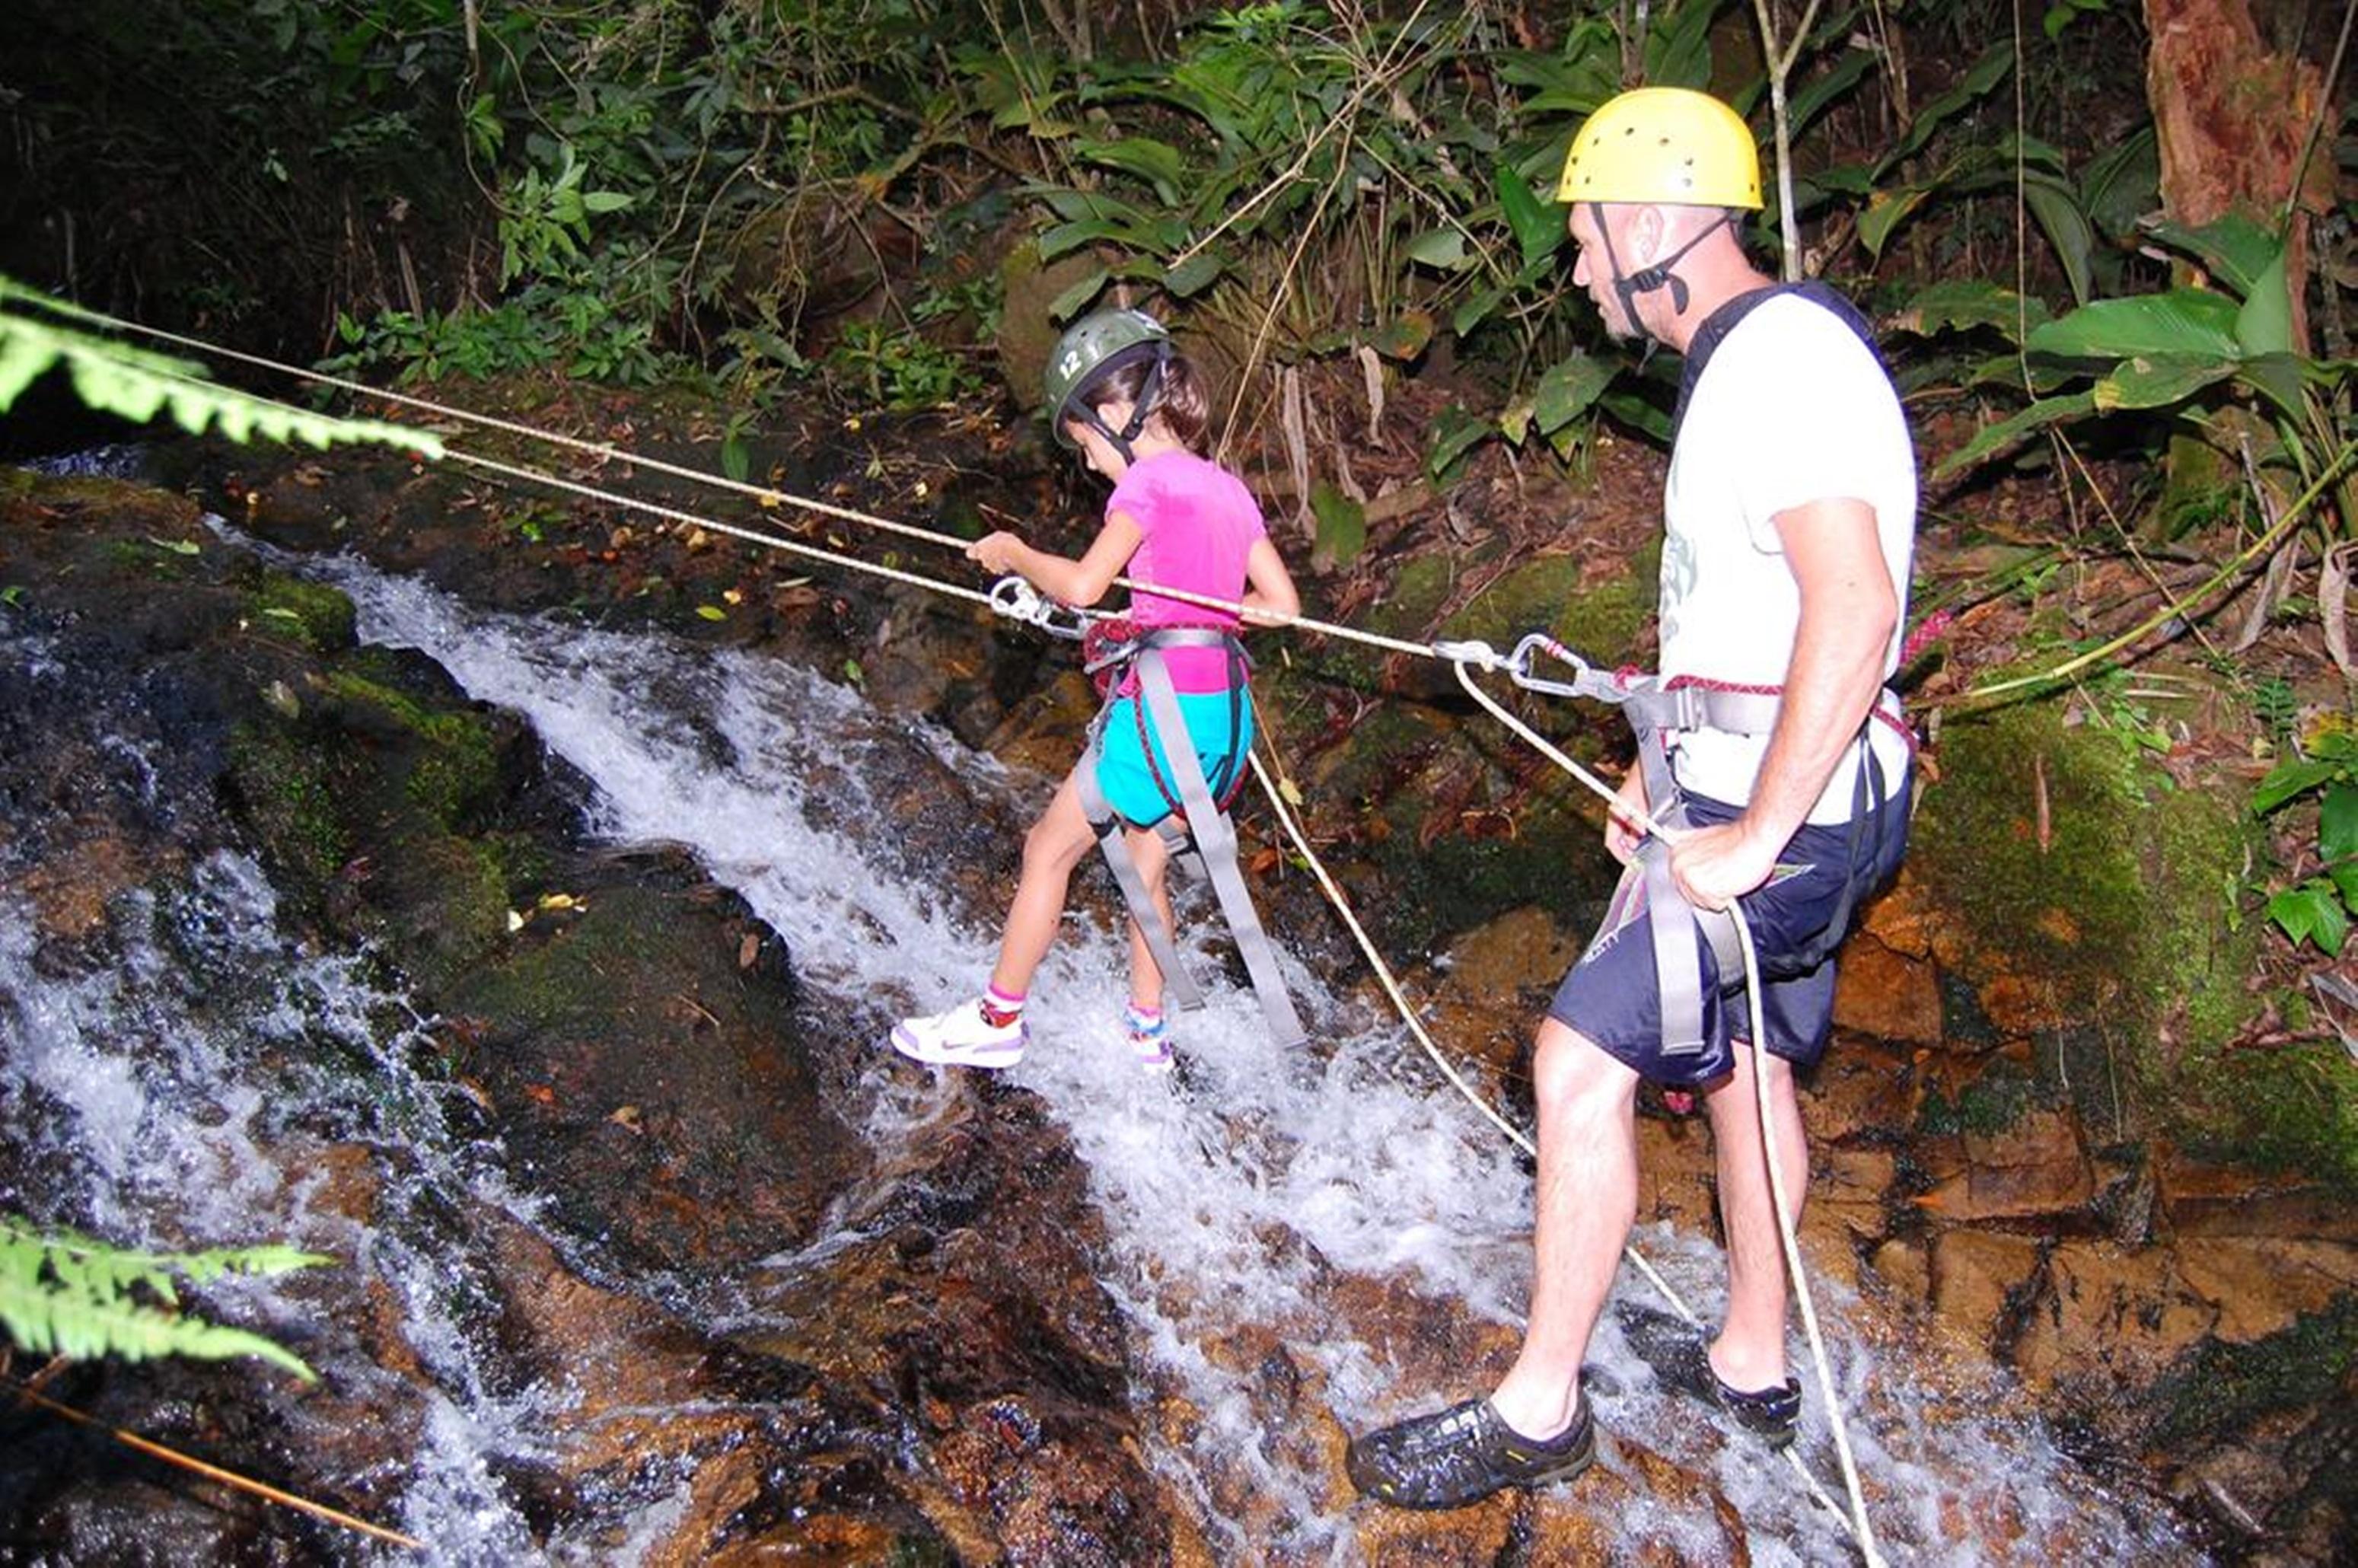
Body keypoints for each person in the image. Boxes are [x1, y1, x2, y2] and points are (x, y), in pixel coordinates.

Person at [1346, 85, 1917, 1509]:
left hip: (1792, 810)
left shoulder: (1777, 359)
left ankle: (1538, 1410)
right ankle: (1748, 1361)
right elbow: (1757, 617)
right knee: (1747, 1063)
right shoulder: (1756, 364)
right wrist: (1660, 774)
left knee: (1575, 1068)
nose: (1582, 270)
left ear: (1654, 222)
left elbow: (1853, 605)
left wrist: (1750, 836)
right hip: (1788, 782)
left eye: (1590, 240)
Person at [891, 307, 1302, 1073]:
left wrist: (1014, 551)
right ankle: (1147, 1034)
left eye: (1083, 444)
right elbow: (1281, 607)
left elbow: (1081, 585)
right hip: (1222, 719)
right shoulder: (1227, 489)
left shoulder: (1145, 482)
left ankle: (996, 1020)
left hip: (1160, 718)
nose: (1086, 464)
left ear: (1116, 413)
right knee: (1145, 864)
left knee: (1048, 848)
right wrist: (1193, 608)